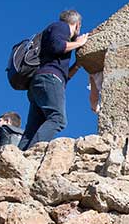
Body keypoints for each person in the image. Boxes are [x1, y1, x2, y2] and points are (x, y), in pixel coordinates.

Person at [20, 10, 89, 149]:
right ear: (77, 24)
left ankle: (17, 157)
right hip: (48, 79)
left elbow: (64, 76)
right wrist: (80, 43)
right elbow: (58, 46)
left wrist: (77, 65)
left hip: (41, 82)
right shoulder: (61, 26)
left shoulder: (56, 35)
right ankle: (32, 153)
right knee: (58, 119)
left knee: (32, 130)